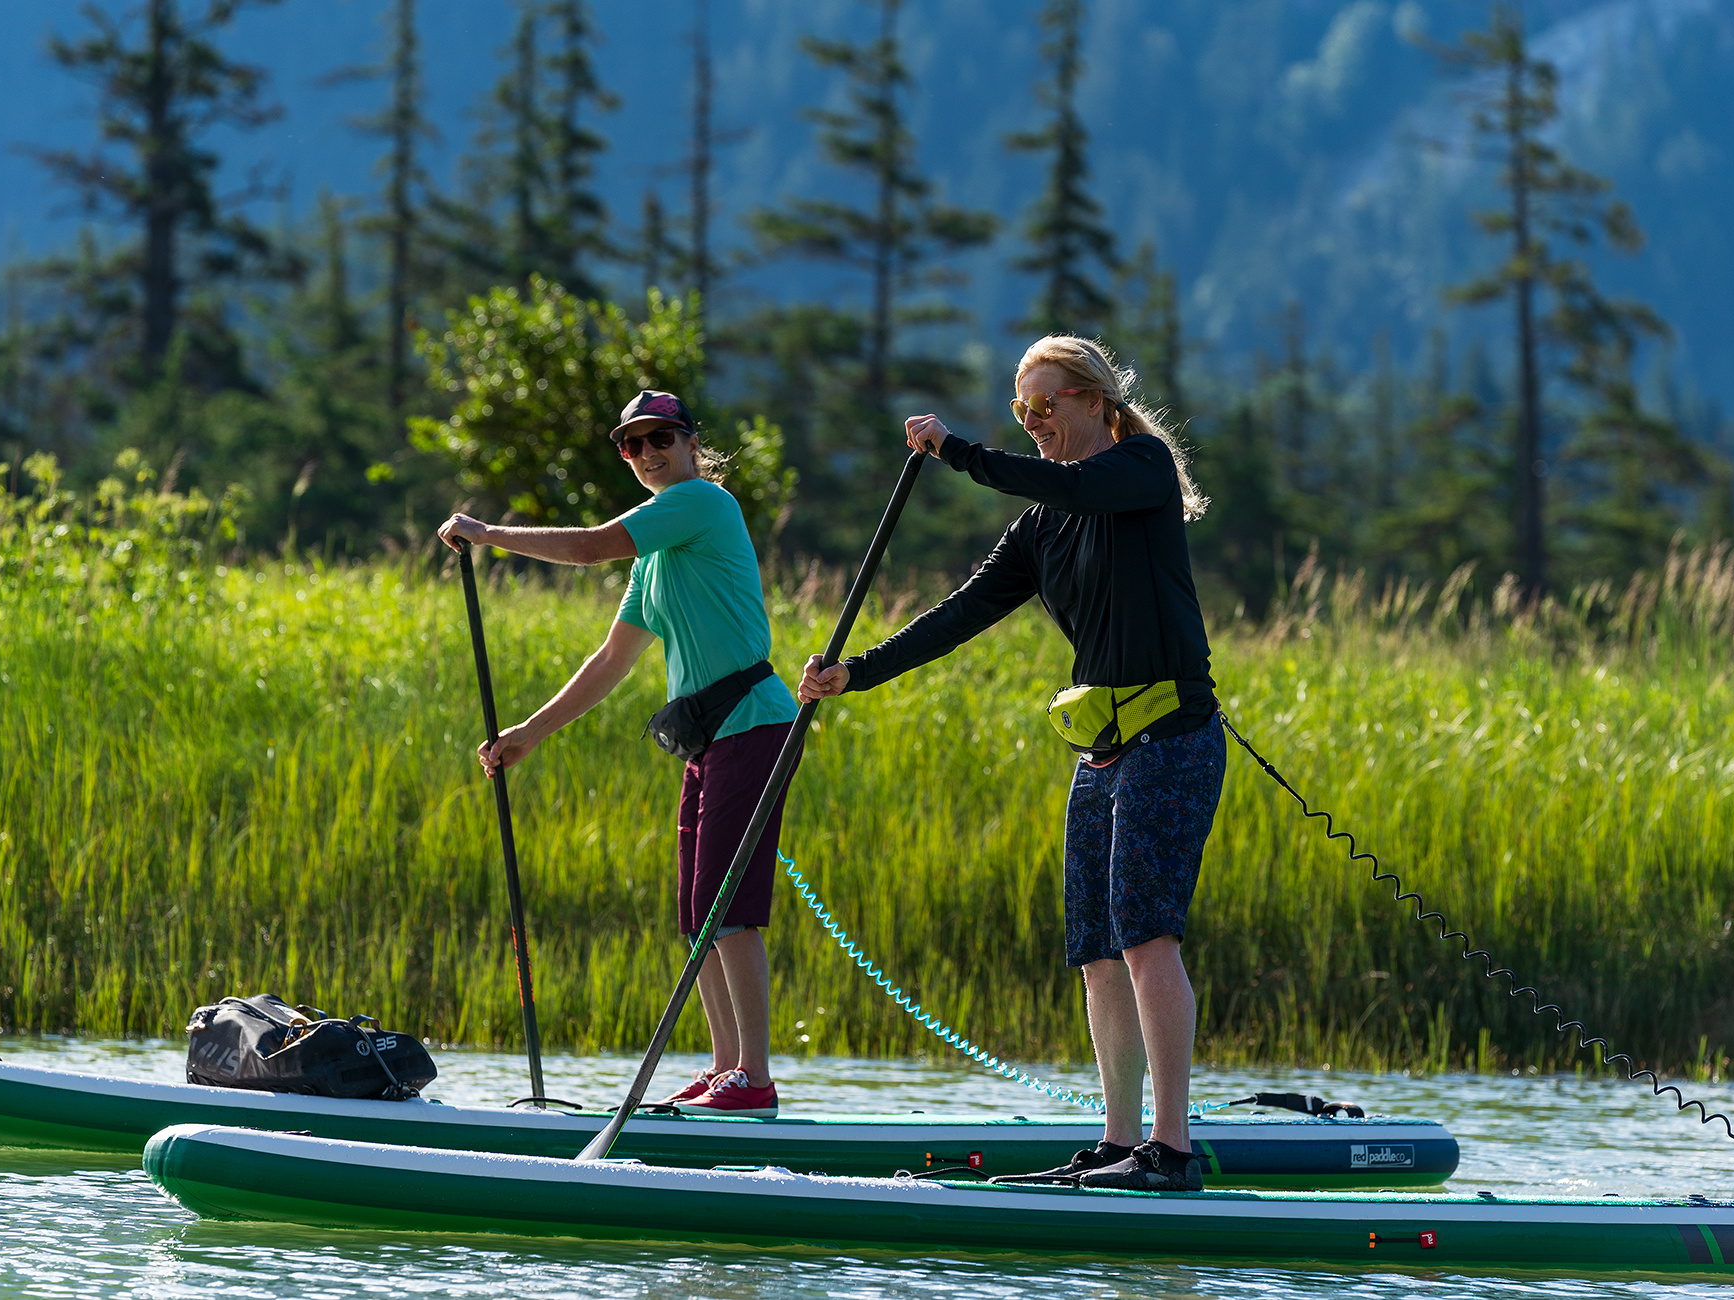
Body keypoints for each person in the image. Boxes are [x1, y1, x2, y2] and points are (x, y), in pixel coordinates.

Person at [798, 336, 1224, 1191]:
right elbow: (960, 614)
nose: (1032, 421)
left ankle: (1171, 1151)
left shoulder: (1138, 469)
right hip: (1100, 751)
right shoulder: (1039, 526)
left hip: (1173, 738)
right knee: (1097, 951)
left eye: (1045, 404)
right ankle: (1118, 1141)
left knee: (1146, 935)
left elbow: (1074, 485)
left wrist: (957, 451)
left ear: (1095, 401)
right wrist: (858, 672)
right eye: (1020, 409)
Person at [439, 390, 799, 1118]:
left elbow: (587, 547)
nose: (648, 453)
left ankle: (754, 1080)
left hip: (755, 725)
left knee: (727, 908)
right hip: (709, 737)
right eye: (633, 444)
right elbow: (611, 658)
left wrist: (485, 532)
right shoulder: (656, 555)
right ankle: (724, 1069)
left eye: (661, 437)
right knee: (697, 916)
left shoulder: (701, 503)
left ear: (690, 443)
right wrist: (529, 733)